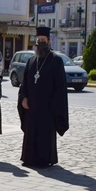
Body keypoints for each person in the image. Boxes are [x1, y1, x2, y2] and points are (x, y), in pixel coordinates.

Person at [17, 26, 69, 168]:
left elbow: (60, 86)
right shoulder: (31, 60)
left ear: (49, 41)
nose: (40, 43)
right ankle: (28, 159)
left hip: (48, 107)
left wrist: (55, 106)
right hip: (31, 106)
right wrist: (24, 98)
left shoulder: (56, 61)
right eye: (38, 40)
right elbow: (25, 83)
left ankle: (44, 160)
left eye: (43, 40)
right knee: (30, 131)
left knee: (44, 134)